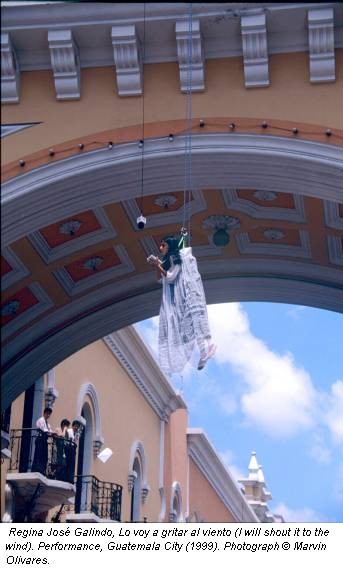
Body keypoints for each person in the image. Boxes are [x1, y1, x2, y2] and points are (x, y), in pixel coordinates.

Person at [147, 235, 216, 374]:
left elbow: (171, 277)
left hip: (186, 298)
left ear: (170, 246)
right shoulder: (168, 261)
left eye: (163, 245)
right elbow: (160, 279)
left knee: (194, 324)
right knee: (188, 327)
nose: (160, 248)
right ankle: (204, 351)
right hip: (177, 301)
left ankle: (205, 350)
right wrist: (157, 265)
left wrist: (157, 265)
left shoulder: (177, 259)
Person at [31, 407, 53, 475]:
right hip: (40, 439)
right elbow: (44, 430)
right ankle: (37, 468)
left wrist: (53, 433)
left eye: (49, 414)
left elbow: (50, 430)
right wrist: (51, 433)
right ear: (44, 413)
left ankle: (42, 469)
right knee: (39, 454)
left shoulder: (47, 423)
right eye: (47, 413)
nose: (48, 415)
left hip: (44, 440)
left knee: (44, 455)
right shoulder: (41, 420)